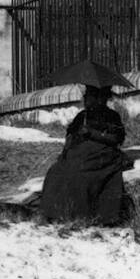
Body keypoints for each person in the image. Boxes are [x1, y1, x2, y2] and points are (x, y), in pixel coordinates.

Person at [39, 85, 126, 225]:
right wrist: (70, 142)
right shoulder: (82, 116)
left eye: (89, 96)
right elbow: (70, 136)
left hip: (102, 155)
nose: (85, 98)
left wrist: (92, 133)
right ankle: (54, 213)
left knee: (80, 174)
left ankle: (80, 216)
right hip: (80, 153)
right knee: (55, 171)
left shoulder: (112, 116)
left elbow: (117, 139)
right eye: (85, 95)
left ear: (99, 98)